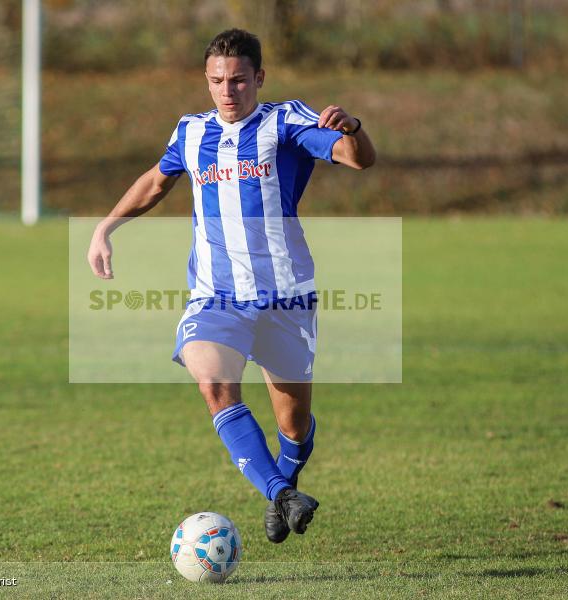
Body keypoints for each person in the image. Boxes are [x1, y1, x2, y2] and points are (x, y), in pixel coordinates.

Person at [87, 28, 375, 543]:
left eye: (239, 80)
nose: (227, 90)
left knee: (294, 424)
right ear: (206, 79)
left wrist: (353, 126)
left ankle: (283, 482)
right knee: (213, 383)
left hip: (286, 295)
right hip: (216, 296)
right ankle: (281, 495)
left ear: (259, 78)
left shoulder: (287, 121)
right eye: (218, 80)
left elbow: (357, 158)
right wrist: (105, 226)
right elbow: (156, 181)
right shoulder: (191, 132)